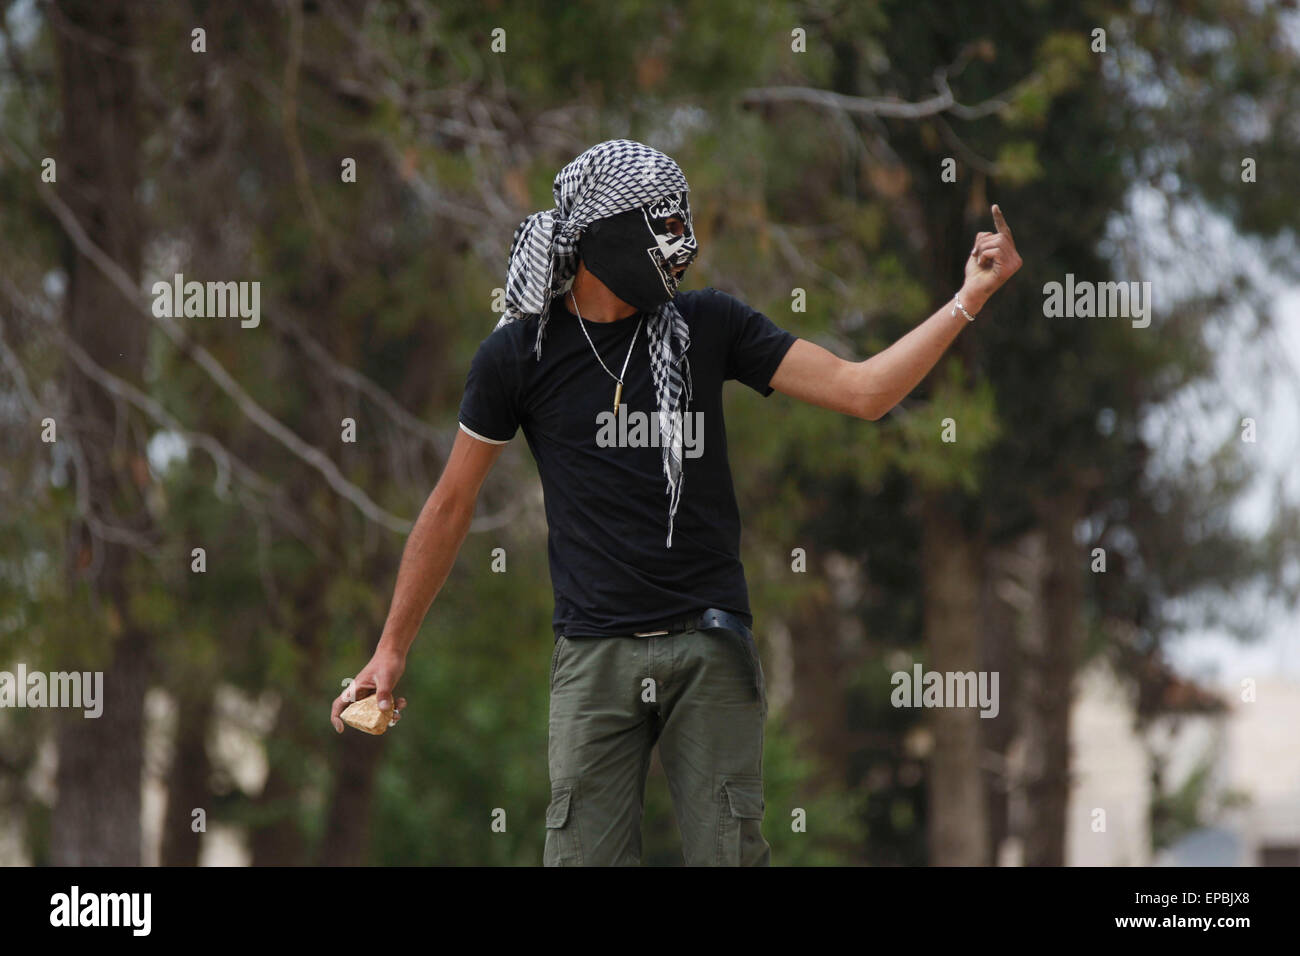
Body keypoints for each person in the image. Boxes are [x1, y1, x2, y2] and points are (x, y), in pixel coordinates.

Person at [329, 139, 1022, 866]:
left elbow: (864, 391)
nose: (683, 244)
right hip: (593, 652)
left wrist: (967, 298)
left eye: (684, 223)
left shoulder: (710, 325)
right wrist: (391, 647)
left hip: (709, 643)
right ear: (601, 234)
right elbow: (449, 504)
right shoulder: (518, 355)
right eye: (663, 226)